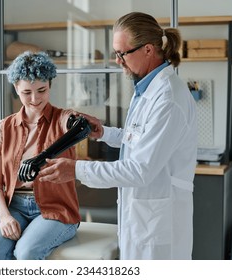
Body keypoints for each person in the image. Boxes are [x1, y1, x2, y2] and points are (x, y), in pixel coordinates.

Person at [38, 11, 198, 260]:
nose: (117, 61)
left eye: (122, 53)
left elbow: (139, 170)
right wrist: (103, 132)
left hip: (159, 225)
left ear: (147, 50)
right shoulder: (145, 86)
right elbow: (139, 138)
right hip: (142, 217)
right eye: (116, 53)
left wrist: (76, 170)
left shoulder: (168, 99)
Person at [0, 51, 80, 260]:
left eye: (41, 90)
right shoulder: (3, 128)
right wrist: (5, 217)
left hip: (56, 208)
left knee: (26, 253)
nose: (34, 99)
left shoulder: (63, 119)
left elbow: (75, 123)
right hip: (14, 205)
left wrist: (76, 120)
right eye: (26, 92)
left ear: (50, 84)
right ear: (16, 88)